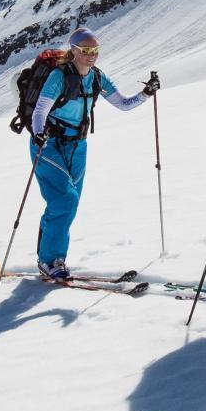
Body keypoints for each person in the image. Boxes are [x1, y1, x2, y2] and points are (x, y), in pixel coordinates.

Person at [26, 29, 155, 281]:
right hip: (49, 144)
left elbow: (123, 104)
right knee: (65, 200)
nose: (91, 55)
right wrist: (39, 133)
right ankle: (50, 259)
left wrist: (146, 94)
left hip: (78, 146)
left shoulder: (97, 77)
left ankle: (50, 255)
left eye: (95, 50)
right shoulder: (58, 76)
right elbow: (40, 109)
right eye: (86, 50)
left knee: (66, 203)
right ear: (73, 50)